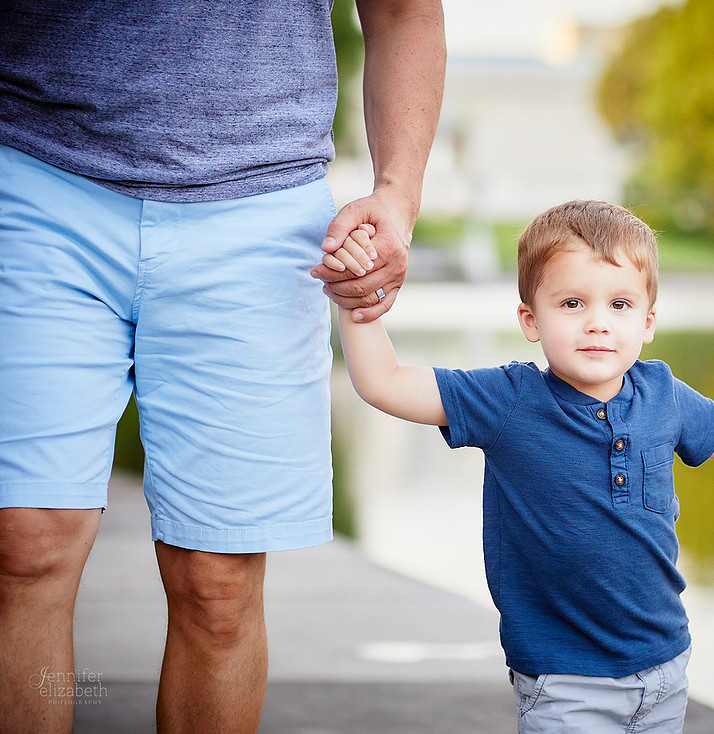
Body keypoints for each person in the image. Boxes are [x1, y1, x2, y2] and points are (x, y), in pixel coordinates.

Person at [0, 2, 444, 732]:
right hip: (36, 174)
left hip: (259, 203)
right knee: (25, 542)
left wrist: (398, 192)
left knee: (218, 584)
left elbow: (403, 13)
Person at [330, 200, 714, 733]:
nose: (598, 323)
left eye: (620, 305)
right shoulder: (508, 400)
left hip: (663, 667)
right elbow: (383, 381)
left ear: (648, 322)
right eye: (572, 303)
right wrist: (356, 300)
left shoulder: (661, 392)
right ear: (530, 319)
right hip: (564, 679)